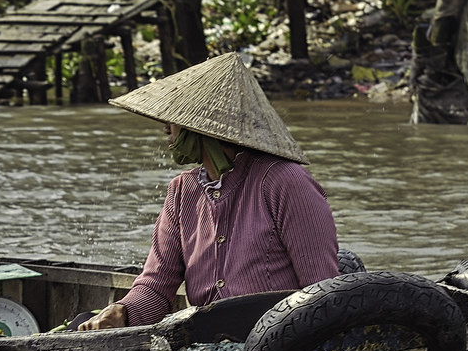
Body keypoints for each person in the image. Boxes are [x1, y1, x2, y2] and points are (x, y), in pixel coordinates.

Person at [77, 53, 340, 331]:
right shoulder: (182, 190)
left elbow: (320, 290)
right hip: (207, 343)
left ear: (202, 128)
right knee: (82, 323)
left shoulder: (285, 182)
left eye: (174, 120)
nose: (166, 128)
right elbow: (157, 284)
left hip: (275, 339)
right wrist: (122, 311)